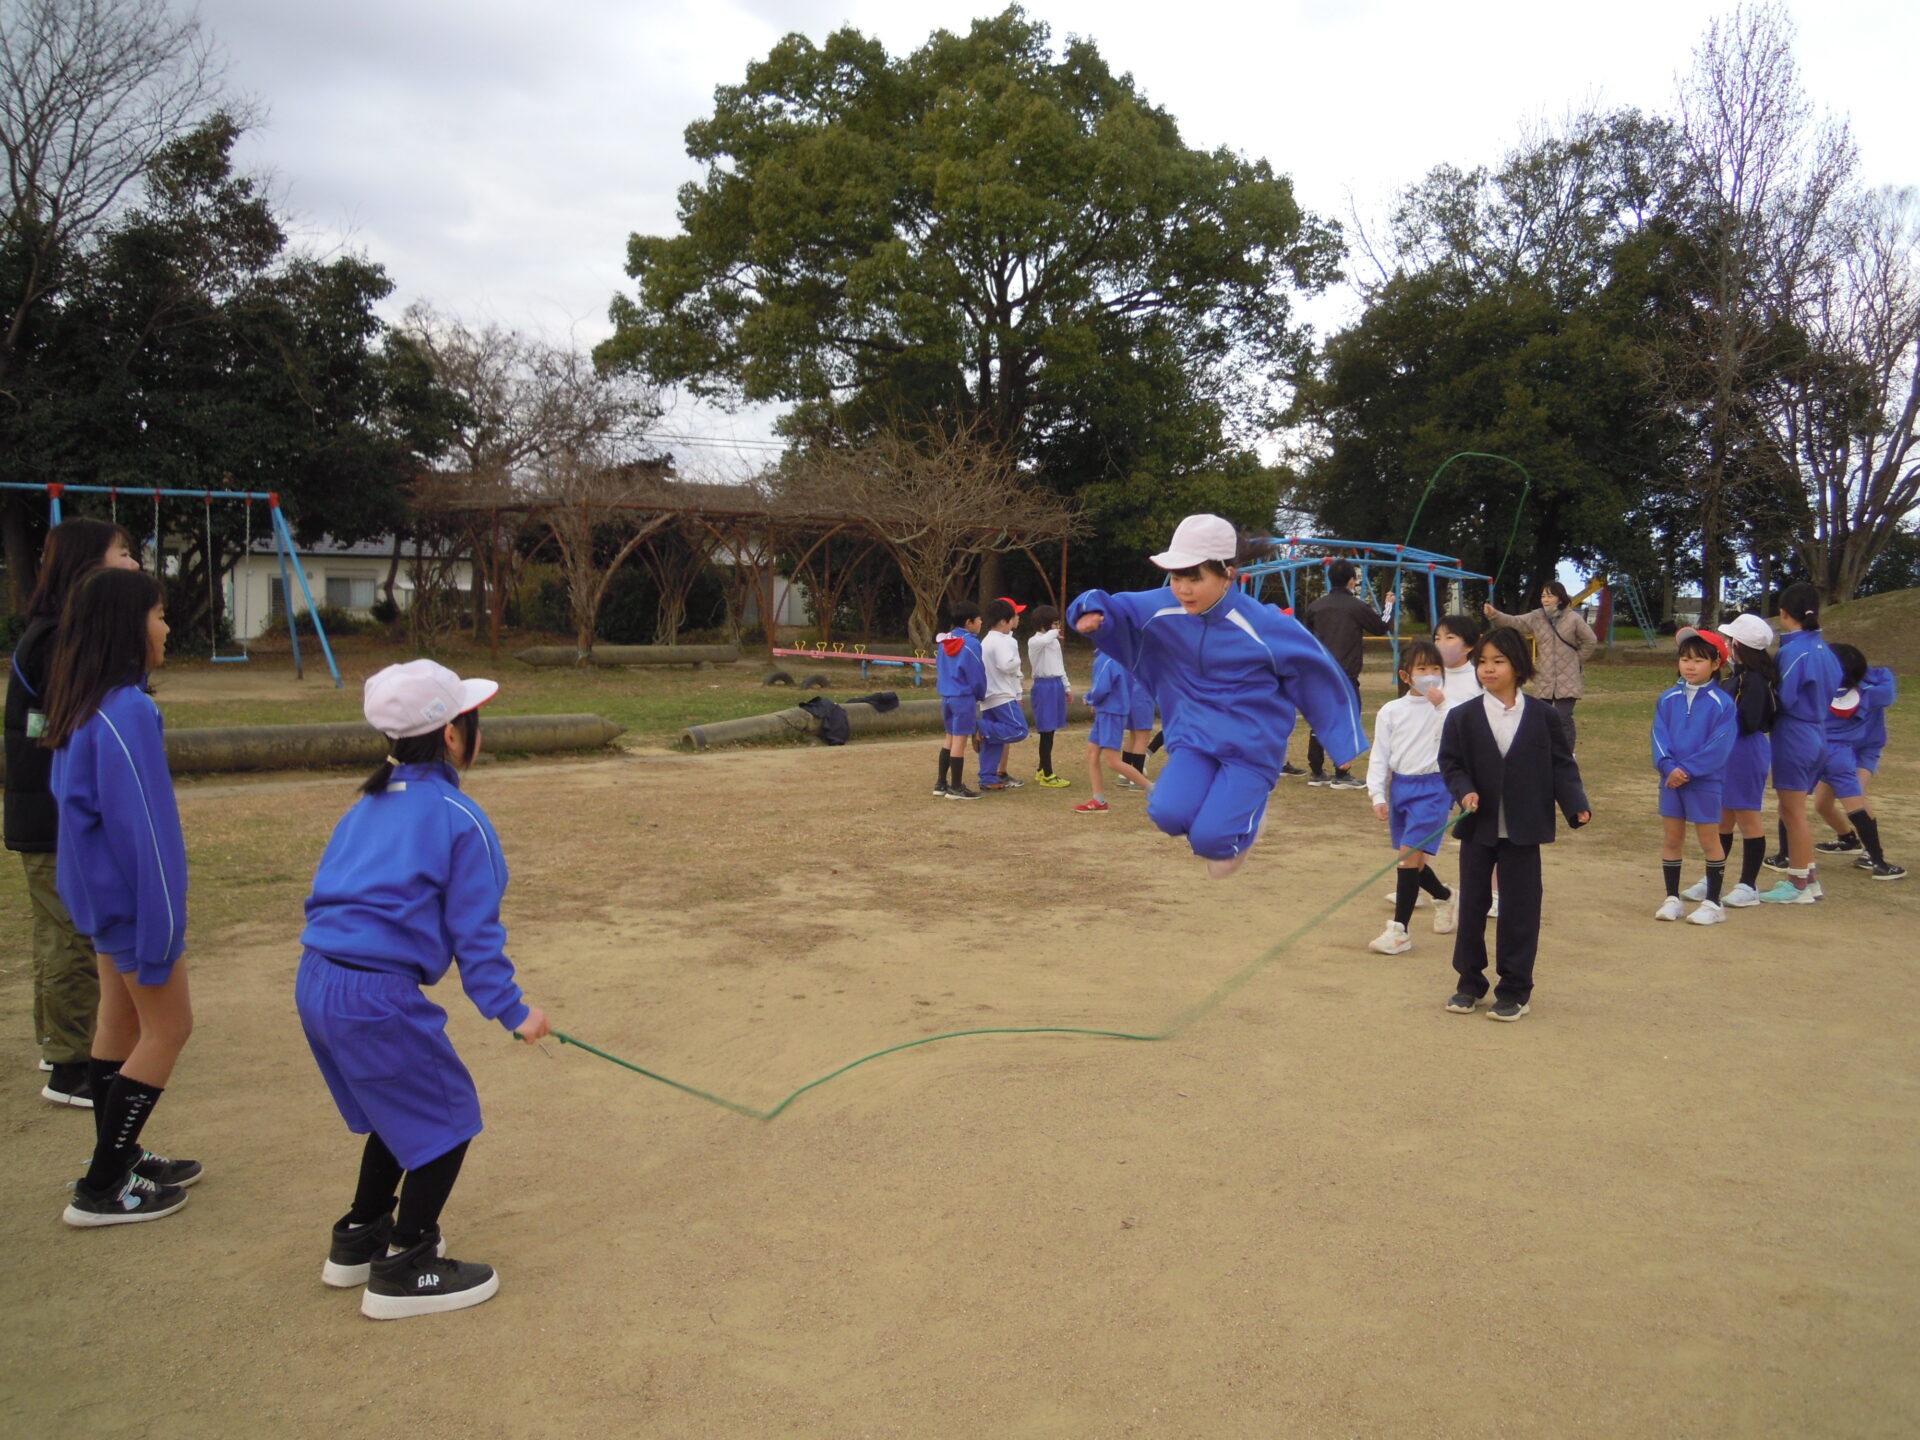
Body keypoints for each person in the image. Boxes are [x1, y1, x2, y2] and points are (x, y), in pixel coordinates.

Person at [297, 659, 552, 1320]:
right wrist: (514, 1011)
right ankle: (406, 1263)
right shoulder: (458, 817)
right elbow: (476, 935)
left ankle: (360, 1235)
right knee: (448, 1118)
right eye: (472, 720)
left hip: (317, 979)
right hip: (373, 997)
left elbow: (326, 896)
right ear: (449, 735)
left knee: (398, 1106)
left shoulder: (367, 802)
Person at [1069, 514, 1366, 878]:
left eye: (1195, 578)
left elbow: (1318, 671)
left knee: (1211, 843)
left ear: (1228, 574)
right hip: (1193, 739)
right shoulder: (1162, 608)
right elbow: (1111, 606)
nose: (1183, 589)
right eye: (1177, 577)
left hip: (1250, 748)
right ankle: (1225, 817)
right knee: (1167, 813)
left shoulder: (1265, 625)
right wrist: (1092, 614)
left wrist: (1342, 741)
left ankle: (1246, 825)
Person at [43, 567, 201, 1225]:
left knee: (120, 1022)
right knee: (170, 1026)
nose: (165, 628)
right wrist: (161, 928)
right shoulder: (126, 712)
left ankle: (120, 1153)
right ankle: (103, 1185)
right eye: (158, 615)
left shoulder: (80, 703)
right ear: (129, 628)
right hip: (133, 909)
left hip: (102, 905)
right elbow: (145, 831)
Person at [5, 517, 140, 1108]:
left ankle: (60, 1042)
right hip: (53, 815)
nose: (133, 565)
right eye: (123, 554)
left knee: (60, 934)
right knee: (69, 939)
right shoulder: (60, 636)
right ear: (89, 564)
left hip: (51, 810)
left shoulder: (54, 630)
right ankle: (68, 1066)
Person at [1438, 627, 1591, 1021]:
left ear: (1519, 666)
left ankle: (1515, 989)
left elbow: (1561, 764)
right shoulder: (1463, 716)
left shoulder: (1542, 715)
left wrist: (1575, 805)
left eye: (1498, 662)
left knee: (1521, 910)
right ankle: (1468, 984)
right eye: (1482, 662)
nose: (1487, 670)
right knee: (1473, 906)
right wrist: (1465, 791)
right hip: (1479, 828)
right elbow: (1451, 764)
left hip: (1525, 829)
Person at [1364, 641, 1460, 954]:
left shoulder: (1449, 708)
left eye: (1435, 669)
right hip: (1401, 788)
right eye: (1422, 669)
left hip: (1434, 789)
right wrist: (1377, 792)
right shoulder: (1391, 711)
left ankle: (1399, 931)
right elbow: (1380, 754)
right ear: (1406, 675)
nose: (1430, 675)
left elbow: (1458, 737)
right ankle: (1445, 896)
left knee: (1407, 857)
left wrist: (1441, 705)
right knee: (1413, 862)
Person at [1683, 613, 1777, 907]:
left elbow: (1748, 722)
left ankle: (1748, 885)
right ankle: (1714, 878)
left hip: (1745, 752)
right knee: (1721, 819)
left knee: (1748, 818)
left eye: (1731, 640)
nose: (1727, 645)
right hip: (1728, 752)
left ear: (1739, 645)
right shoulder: (1737, 678)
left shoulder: (1755, 681)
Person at [1758, 582, 1839, 905]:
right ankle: (1810, 878)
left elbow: (1783, 697)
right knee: (1793, 809)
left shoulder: (1793, 650)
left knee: (1792, 812)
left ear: (1783, 613)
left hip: (1795, 735)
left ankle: (1797, 883)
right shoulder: (1824, 649)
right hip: (1819, 732)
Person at [1652, 629, 1739, 925]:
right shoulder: (1667, 699)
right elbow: (1659, 736)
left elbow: (1720, 745)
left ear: (1716, 664)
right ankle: (1672, 898)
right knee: (1672, 838)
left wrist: (1686, 770)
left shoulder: (1722, 703)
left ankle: (1714, 903)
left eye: (1699, 660)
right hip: (1670, 779)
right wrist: (1668, 768)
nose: (1689, 666)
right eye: (1685, 659)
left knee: (1709, 840)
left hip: (1704, 781)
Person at [1810, 644, 1904, 880]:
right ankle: (1847, 839)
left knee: (1856, 797)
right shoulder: (1831, 688)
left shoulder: (1874, 685)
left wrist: (1859, 693)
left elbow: (1885, 692)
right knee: (1822, 804)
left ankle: (1874, 856)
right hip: (1838, 751)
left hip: (1864, 749)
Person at [1483, 580, 1597, 751]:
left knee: (1563, 718)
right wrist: (1494, 614)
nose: (1545, 599)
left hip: (1568, 680)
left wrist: (1576, 660)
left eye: (1549, 596)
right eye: (1543, 596)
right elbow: (1515, 622)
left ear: (1560, 598)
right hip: (1544, 677)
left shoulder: (1573, 619)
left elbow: (1590, 641)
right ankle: (1543, 752)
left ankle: (1566, 754)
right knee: (1539, 717)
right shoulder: (1536, 616)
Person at [1301, 559, 1386, 788]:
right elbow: (1381, 627)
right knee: (1347, 721)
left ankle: (1317, 771)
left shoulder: (1315, 606)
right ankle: (1341, 773)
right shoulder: (1356, 606)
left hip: (1319, 673)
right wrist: (1388, 607)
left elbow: (1305, 638)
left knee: (1320, 720)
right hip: (1345, 675)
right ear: (1351, 580)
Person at [1074, 650, 1151, 814]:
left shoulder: (1109, 658)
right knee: (1092, 754)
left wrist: (1090, 699)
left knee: (1112, 761)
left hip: (1111, 713)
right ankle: (1099, 800)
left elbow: (1102, 687)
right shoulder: (1114, 656)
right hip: (1106, 711)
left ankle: (1155, 790)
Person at [932, 601, 985, 800]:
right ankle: (956, 787)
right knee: (960, 741)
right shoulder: (971, 644)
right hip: (963, 697)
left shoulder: (945, 640)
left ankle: (940, 783)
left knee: (949, 738)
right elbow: (977, 673)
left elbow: (939, 666)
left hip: (946, 695)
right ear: (969, 622)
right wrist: (980, 694)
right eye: (979, 619)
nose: (981, 622)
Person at [977, 597, 1030, 791]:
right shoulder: (1000, 640)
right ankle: (980, 728)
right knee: (1019, 730)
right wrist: (1018, 659)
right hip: (1001, 694)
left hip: (989, 695)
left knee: (993, 741)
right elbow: (1007, 665)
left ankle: (988, 777)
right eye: (1011, 619)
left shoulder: (986, 640)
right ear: (1003, 621)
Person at [1025, 605, 1071, 787]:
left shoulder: (1053, 642)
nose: (1058, 627)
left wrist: (1066, 687)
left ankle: (1041, 769)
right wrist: (1054, 632)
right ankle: (1047, 774)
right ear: (1043, 625)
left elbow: (1060, 666)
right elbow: (1042, 641)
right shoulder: (1034, 641)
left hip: (1056, 684)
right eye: (1054, 623)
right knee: (1046, 731)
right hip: (1043, 686)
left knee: (1051, 730)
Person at [1434, 613, 1484, 706]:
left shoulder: (1480, 679)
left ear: (1469, 646)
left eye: (1449, 638)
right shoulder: (1429, 677)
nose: (1440, 644)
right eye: (1437, 638)